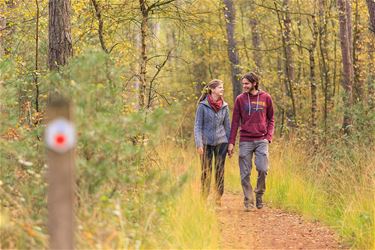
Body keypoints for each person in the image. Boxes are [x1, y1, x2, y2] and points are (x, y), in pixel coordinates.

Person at [228, 72, 274, 211]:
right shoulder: (240, 99)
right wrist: (231, 143)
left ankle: (259, 194)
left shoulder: (266, 98)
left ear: (254, 83)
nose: (244, 86)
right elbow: (235, 122)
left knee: (263, 169)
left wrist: (268, 137)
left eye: (247, 84)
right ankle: (248, 201)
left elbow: (271, 119)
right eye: (243, 84)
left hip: (261, 140)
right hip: (245, 140)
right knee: (245, 173)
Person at [194, 79, 231, 205]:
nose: (222, 89)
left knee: (220, 170)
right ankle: (203, 198)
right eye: (220, 87)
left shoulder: (225, 106)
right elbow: (197, 126)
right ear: (213, 89)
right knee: (206, 171)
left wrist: (230, 144)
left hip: (222, 143)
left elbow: (228, 127)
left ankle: (218, 198)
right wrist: (199, 144)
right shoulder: (202, 106)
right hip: (205, 143)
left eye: (222, 87)